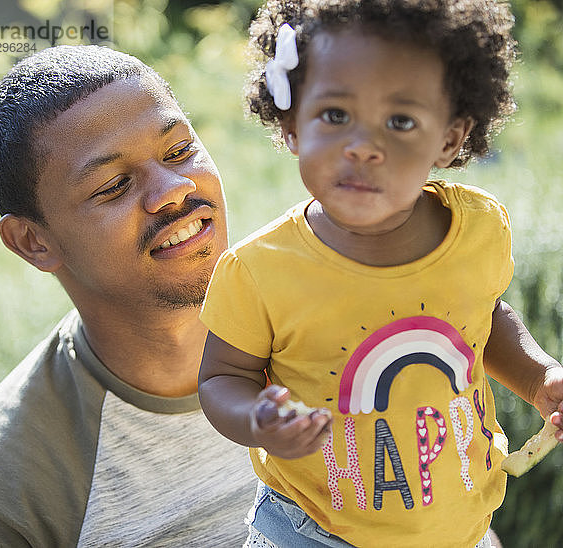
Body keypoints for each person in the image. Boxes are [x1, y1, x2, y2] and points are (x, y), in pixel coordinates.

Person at [197, 0, 563, 546]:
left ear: (450, 137)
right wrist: (258, 420)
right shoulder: (261, 271)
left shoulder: (478, 229)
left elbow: (481, 319)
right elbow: (222, 378)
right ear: (293, 125)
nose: (365, 147)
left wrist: (539, 377)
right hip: (312, 530)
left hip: (461, 524)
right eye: (336, 115)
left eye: (400, 121)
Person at [0, 45, 257, 546]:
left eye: (179, 151)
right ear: (34, 242)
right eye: (114, 185)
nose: (173, 189)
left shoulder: (341, 317)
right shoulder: (0, 495)